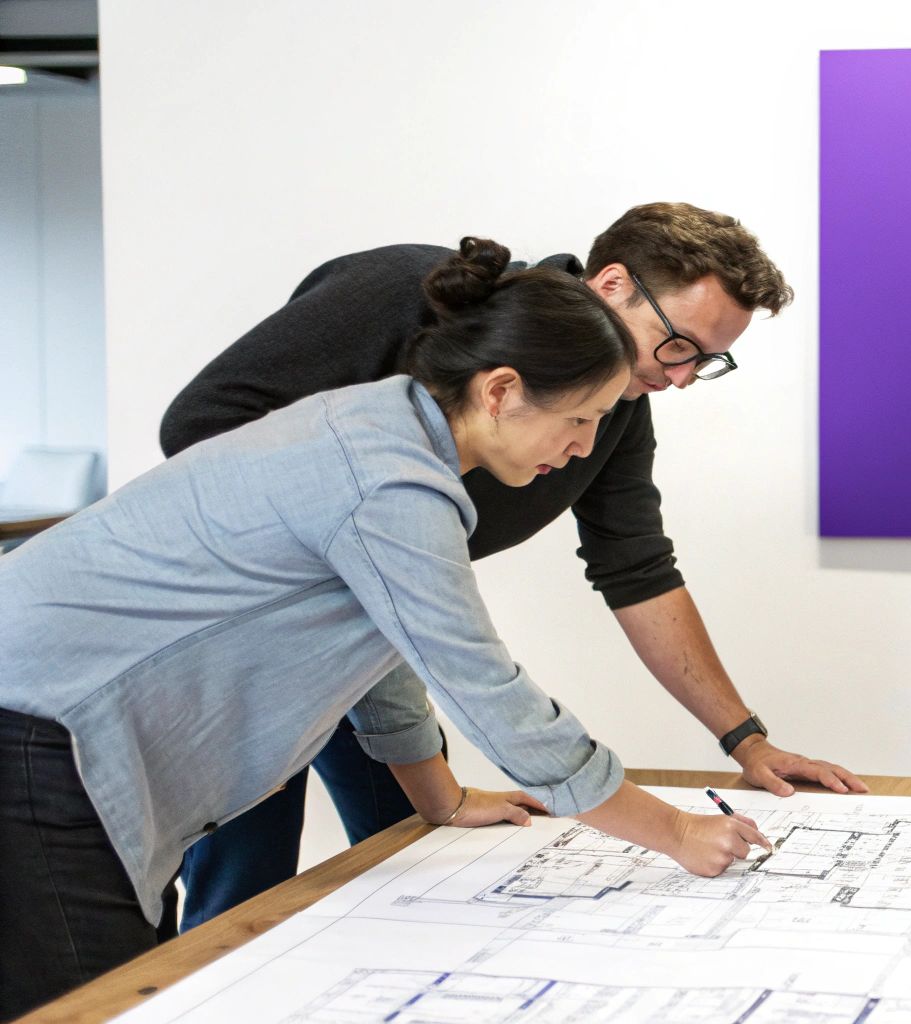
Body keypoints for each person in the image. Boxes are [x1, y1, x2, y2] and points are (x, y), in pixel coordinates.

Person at [0, 239, 771, 1019]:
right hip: (40, 729)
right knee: (97, 1004)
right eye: (578, 421)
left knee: (141, 991)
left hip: (70, 736)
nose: (580, 449)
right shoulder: (389, 481)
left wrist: (437, 796)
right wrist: (674, 829)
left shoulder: (384, 430)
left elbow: (381, 643)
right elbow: (488, 692)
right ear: (501, 390)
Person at [161, 202, 866, 932]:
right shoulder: (403, 292)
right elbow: (200, 424)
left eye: (706, 362)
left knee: (414, 862)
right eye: (678, 345)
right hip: (240, 636)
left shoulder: (613, 410)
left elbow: (637, 569)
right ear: (614, 284)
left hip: (373, 639)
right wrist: (354, 553)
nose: (683, 379)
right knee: (240, 896)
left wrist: (744, 739)